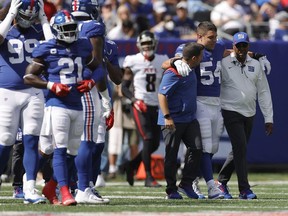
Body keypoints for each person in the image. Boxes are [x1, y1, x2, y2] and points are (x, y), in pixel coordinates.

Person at [161, 21, 272, 199]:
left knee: (211, 147)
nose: (214, 40)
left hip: (216, 103)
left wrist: (258, 55)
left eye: (215, 37)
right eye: (210, 38)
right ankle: (207, 185)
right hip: (200, 102)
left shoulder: (219, 46)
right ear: (199, 36)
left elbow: (234, 52)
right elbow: (166, 64)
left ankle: (193, 181)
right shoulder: (189, 48)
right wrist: (175, 61)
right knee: (203, 146)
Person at [24, 9, 112, 206]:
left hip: (77, 104)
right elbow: (28, 76)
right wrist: (51, 85)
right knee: (60, 149)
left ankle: (52, 185)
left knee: (73, 151)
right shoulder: (46, 48)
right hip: (57, 104)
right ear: (56, 30)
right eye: (65, 29)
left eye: (72, 28)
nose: (70, 32)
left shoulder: (82, 45)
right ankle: (64, 192)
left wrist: (90, 82)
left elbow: (98, 68)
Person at [0, 0, 53, 204]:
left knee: (31, 140)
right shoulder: (6, 29)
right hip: (7, 92)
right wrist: (10, 12)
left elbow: (53, 47)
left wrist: (44, 20)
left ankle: (29, 188)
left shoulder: (39, 31)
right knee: (5, 141)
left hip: (33, 92)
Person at [217, 32, 273, 199]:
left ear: (248, 46)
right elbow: (212, 53)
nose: (241, 48)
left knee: (239, 149)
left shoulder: (256, 65)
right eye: (238, 45)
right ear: (233, 46)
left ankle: (221, 182)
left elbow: (264, 91)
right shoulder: (223, 63)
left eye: (244, 45)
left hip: (249, 112)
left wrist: (268, 118)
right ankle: (244, 189)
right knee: (240, 147)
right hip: (230, 109)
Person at [121, 30, 168, 187]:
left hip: (156, 106)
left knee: (154, 143)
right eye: (144, 44)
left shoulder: (162, 60)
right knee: (147, 138)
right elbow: (124, 88)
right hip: (140, 105)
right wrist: (134, 100)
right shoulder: (132, 61)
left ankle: (131, 165)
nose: (147, 46)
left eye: (149, 43)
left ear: (155, 44)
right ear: (139, 46)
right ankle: (148, 176)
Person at [158, 42, 204, 200]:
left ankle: (186, 183)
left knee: (197, 148)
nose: (202, 59)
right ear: (194, 58)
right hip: (173, 119)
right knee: (171, 155)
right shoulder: (174, 72)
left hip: (189, 118)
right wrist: (167, 117)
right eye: (200, 56)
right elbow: (161, 95)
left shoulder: (190, 67)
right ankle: (171, 190)